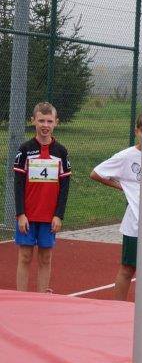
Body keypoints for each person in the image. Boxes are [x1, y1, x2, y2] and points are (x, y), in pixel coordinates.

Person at [90, 114, 142, 300]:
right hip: (135, 223)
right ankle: (117, 308)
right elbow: (96, 173)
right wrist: (122, 186)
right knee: (128, 268)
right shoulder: (126, 156)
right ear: (137, 131)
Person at [14, 102, 71, 292]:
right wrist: (20, 214)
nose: (45, 125)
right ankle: (21, 298)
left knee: (45, 258)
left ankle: (42, 300)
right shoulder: (24, 149)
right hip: (28, 216)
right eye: (41, 121)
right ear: (33, 121)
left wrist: (58, 215)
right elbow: (18, 184)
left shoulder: (61, 152)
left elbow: (64, 187)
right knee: (25, 257)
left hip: (49, 217)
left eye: (49, 121)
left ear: (56, 122)